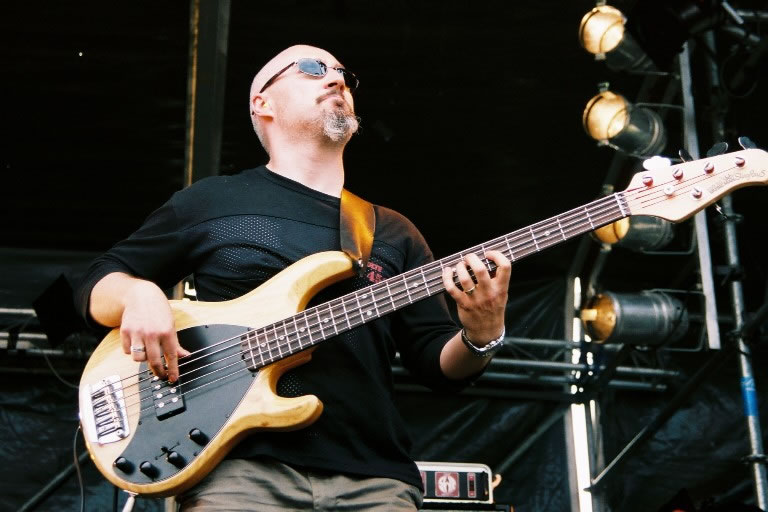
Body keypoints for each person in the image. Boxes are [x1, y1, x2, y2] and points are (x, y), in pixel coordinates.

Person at [75, 44, 511, 511]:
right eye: (311, 69)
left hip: (376, 481)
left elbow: (437, 366)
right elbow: (89, 285)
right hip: (240, 476)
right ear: (262, 103)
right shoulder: (211, 201)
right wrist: (138, 293)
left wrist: (481, 334)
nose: (336, 79)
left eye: (343, 74)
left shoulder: (391, 231)